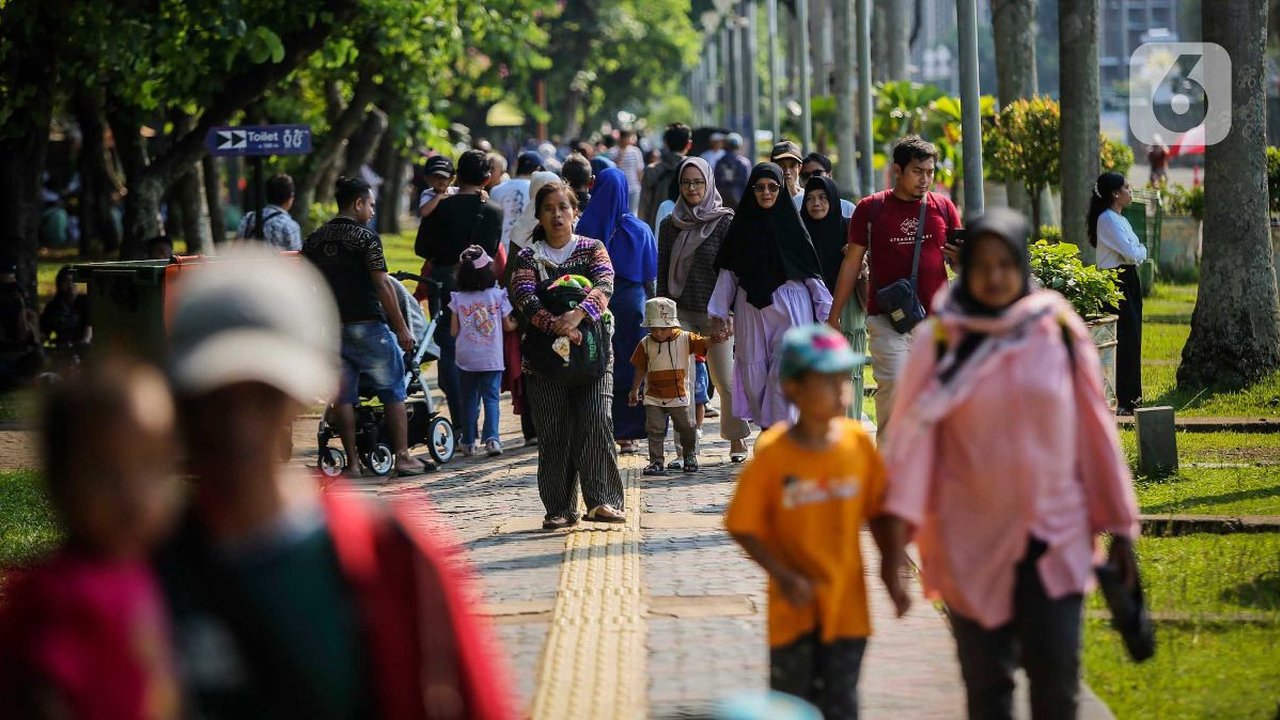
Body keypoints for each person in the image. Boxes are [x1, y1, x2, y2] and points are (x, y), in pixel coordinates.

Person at [154, 249, 512, 719]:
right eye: (214, 397)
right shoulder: (120, 580)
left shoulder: (390, 556)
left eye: (262, 394)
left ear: (302, 392)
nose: (238, 423)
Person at [877, 209, 1140, 719]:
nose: (995, 276)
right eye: (983, 264)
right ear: (965, 266)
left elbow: (1095, 434)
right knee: (988, 690)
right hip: (967, 546)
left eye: (1006, 263)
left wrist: (1121, 528)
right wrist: (894, 542)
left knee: (1056, 686)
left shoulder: (1058, 329)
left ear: (1021, 265)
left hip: (1055, 541)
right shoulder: (942, 340)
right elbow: (913, 446)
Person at [725, 323, 909, 720]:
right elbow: (742, 525)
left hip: (848, 609)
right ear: (794, 388)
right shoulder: (773, 454)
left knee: (842, 705)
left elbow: (881, 510)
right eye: (828, 380)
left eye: (844, 378)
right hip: (794, 612)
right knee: (794, 707)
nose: (842, 389)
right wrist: (783, 574)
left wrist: (892, 565)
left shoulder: (857, 443)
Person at [0, 360, 181, 720]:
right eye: (106, 472)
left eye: (152, 467)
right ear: (59, 481)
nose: (133, 494)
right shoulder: (59, 597)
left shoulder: (150, 571)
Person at [508, 181, 627, 529]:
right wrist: (558, 327)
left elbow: (605, 286)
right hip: (543, 360)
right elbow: (525, 298)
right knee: (554, 430)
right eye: (549, 209)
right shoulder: (528, 256)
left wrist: (577, 317)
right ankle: (559, 508)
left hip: (592, 354)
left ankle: (603, 500)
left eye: (564, 207)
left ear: (576, 212)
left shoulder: (593, 249)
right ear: (539, 216)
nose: (557, 214)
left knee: (595, 420)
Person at [826, 135, 962, 433]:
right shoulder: (871, 209)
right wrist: (834, 315)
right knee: (897, 389)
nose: (925, 179)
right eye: (917, 171)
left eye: (930, 172)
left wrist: (961, 258)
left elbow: (959, 266)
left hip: (936, 322)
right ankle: (889, 468)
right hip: (887, 319)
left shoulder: (944, 207)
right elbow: (852, 263)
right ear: (897, 171)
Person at [303, 176, 433, 477]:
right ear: (358, 203)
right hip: (368, 326)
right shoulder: (365, 239)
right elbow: (383, 286)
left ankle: (352, 464)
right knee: (393, 389)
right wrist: (402, 328)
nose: (373, 211)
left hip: (333, 329)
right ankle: (402, 457)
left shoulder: (314, 240)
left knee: (343, 396)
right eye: (371, 204)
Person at [709, 163, 833, 429]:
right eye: (760, 187)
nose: (766, 193)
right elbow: (729, 272)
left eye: (773, 187)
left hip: (792, 307)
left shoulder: (793, 228)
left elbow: (811, 273)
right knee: (754, 376)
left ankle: (782, 434)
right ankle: (769, 429)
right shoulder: (741, 230)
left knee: (784, 371)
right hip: (751, 308)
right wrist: (719, 313)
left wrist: (826, 313)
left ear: (781, 190)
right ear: (752, 190)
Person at [657, 156, 752, 462]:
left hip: (716, 314)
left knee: (724, 379)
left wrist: (731, 314)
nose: (692, 188)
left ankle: (737, 439)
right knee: (679, 383)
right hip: (679, 312)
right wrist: (661, 318)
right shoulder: (669, 225)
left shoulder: (725, 222)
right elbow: (662, 273)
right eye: (686, 182)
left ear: (709, 183)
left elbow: (734, 272)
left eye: (698, 182)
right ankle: (686, 447)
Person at [416, 150, 503, 430]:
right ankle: (483, 420)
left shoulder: (440, 206)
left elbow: (421, 248)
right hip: (482, 286)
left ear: (457, 177)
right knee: (483, 345)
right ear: (487, 179)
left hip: (445, 282)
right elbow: (490, 251)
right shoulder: (493, 211)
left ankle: (462, 421)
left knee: (449, 349)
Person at [576, 167, 658, 456]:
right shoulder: (639, 228)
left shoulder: (585, 228)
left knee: (595, 362)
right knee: (630, 363)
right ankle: (628, 432)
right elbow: (650, 274)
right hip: (631, 305)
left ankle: (597, 427)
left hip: (594, 304)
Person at [801, 175, 866, 422]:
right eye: (810, 199)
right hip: (810, 313)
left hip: (848, 312)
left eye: (822, 198)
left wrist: (860, 262)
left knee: (849, 377)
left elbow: (865, 273)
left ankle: (849, 436)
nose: (816, 204)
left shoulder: (849, 231)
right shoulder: (799, 234)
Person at [628, 297, 709, 476]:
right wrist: (635, 389)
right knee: (654, 429)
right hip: (653, 395)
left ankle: (689, 455)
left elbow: (703, 344)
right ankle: (656, 461)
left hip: (678, 394)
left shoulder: (686, 339)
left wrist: (715, 338)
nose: (658, 333)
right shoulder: (645, 344)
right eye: (653, 328)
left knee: (687, 427)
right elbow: (640, 368)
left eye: (663, 329)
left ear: (673, 326)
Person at [1089, 171, 1147, 415]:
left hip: (1129, 279)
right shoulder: (1108, 220)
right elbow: (1133, 252)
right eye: (1126, 187)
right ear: (1115, 193)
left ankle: (1132, 397)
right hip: (1117, 281)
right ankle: (1125, 400)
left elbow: (1137, 250)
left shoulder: (1119, 218)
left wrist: (1138, 250)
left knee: (1133, 337)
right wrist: (1139, 250)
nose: (1129, 190)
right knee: (1123, 338)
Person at [450, 245, 516, 457]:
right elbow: (507, 325)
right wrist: (517, 324)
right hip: (491, 358)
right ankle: (492, 440)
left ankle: (468, 442)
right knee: (491, 397)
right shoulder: (497, 296)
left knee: (468, 398)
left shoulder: (458, 299)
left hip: (466, 358)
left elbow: (453, 331)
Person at [639, 122, 692, 228]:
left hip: (657, 232)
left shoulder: (652, 170)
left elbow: (643, 209)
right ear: (689, 144)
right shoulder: (695, 170)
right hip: (688, 232)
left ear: (666, 143)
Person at [0, 261, 42, 392]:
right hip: (3, 358)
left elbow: (29, 340)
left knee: (35, 360)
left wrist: (21, 310)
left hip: (18, 358)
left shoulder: (28, 315)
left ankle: (18, 382)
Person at [490, 151, 542, 253]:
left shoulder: (496, 190)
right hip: (525, 250)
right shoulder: (536, 191)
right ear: (537, 170)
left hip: (498, 249)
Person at [236, 173, 302, 251]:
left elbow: (237, 249)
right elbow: (296, 259)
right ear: (290, 198)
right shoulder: (290, 226)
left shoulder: (249, 218)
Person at [40, 266, 91, 352]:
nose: (70, 285)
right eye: (66, 281)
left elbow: (89, 327)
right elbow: (45, 331)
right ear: (59, 284)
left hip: (83, 347)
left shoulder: (85, 302)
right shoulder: (52, 307)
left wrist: (84, 342)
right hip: (62, 348)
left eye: (73, 281)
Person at [797, 152, 856, 219]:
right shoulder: (796, 209)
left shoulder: (848, 209)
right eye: (806, 175)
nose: (812, 178)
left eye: (817, 173)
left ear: (829, 175)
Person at [714, 132, 753, 210]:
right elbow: (747, 183)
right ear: (739, 145)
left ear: (726, 145)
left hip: (722, 200)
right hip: (740, 199)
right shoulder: (744, 163)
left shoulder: (719, 161)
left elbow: (716, 181)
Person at [616, 130, 646, 214]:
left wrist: (641, 184)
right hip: (620, 187)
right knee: (620, 212)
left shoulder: (636, 151)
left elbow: (639, 170)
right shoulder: (614, 151)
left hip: (634, 188)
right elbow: (614, 167)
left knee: (633, 213)